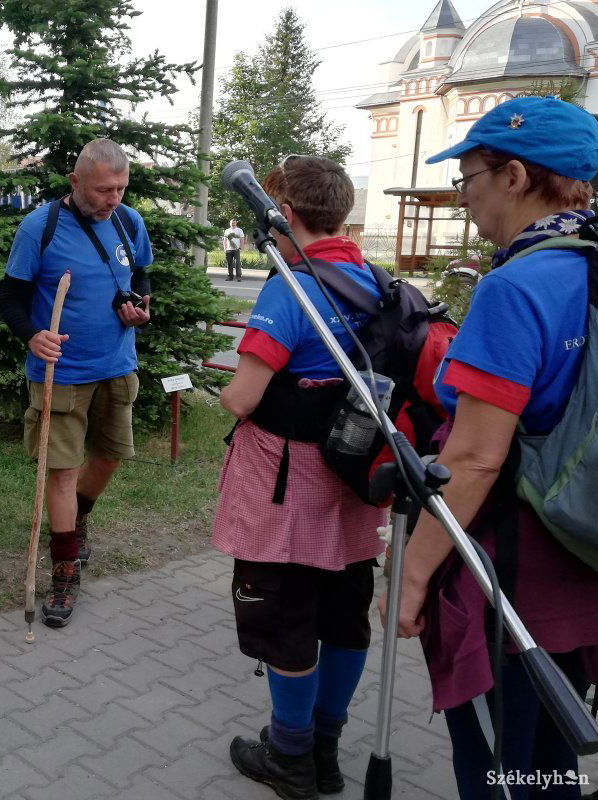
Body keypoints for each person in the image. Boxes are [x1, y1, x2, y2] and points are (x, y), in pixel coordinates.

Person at [391, 95, 598, 800]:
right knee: (550, 760)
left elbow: (478, 457)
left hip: (510, 579)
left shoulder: (517, 286)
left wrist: (412, 577)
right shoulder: (591, 265)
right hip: (582, 557)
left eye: (469, 177)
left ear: (514, 176)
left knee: (502, 774)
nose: (465, 196)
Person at [212, 155, 387, 799]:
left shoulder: (293, 287)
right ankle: (325, 751)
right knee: (345, 617)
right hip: (354, 478)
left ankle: (289, 760)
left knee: (287, 618)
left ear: (284, 214)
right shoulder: (369, 279)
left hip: (289, 486)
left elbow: (242, 397)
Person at [0, 138, 152, 628]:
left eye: (121, 189)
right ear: (75, 181)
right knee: (61, 470)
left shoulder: (130, 223)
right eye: (104, 190)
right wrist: (32, 336)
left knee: (109, 457)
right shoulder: (39, 227)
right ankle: (64, 567)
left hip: (116, 365)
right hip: (59, 373)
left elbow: (142, 277)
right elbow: (9, 297)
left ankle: (77, 520)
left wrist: (140, 308)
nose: (113, 200)